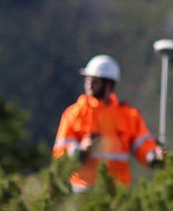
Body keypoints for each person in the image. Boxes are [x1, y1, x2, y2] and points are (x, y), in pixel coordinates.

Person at [52, 54, 165, 192]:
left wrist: (152, 156)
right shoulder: (73, 114)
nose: (89, 84)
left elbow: (143, 145)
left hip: (117, 191)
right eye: (88, 80)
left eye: (95, 81)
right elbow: (59, 154)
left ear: (109, 84)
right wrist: (80, 151)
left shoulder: (128, 114)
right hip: (83, 190)